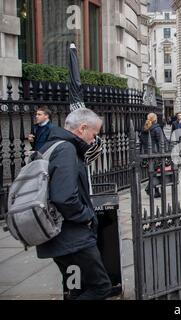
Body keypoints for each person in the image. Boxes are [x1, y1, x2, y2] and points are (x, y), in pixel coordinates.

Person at [36, 108, 112, 300]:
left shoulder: (49, 146)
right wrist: (86, 216)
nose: (94, 140)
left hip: (57, 238)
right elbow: (64, 197)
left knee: (74, 288)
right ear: (82, 128)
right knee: (100, 287)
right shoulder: (66, 150)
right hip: (73, 240)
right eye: (94, 134)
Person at [142, 113, 165, 198]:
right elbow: (161, 142)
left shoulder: (145, 127)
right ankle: (150, 188)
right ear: (155, 119)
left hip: (147, 153)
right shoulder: (157, 128)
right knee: (156, 172)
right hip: (156, 154)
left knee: (152, 172)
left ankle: (156, 191)